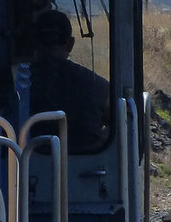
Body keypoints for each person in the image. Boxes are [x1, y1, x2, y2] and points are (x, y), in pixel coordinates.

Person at [29, 10, 110, 154]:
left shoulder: (19, 88)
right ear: (70, 43)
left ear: (33, 43)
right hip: (89, 166)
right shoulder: (97, 85)